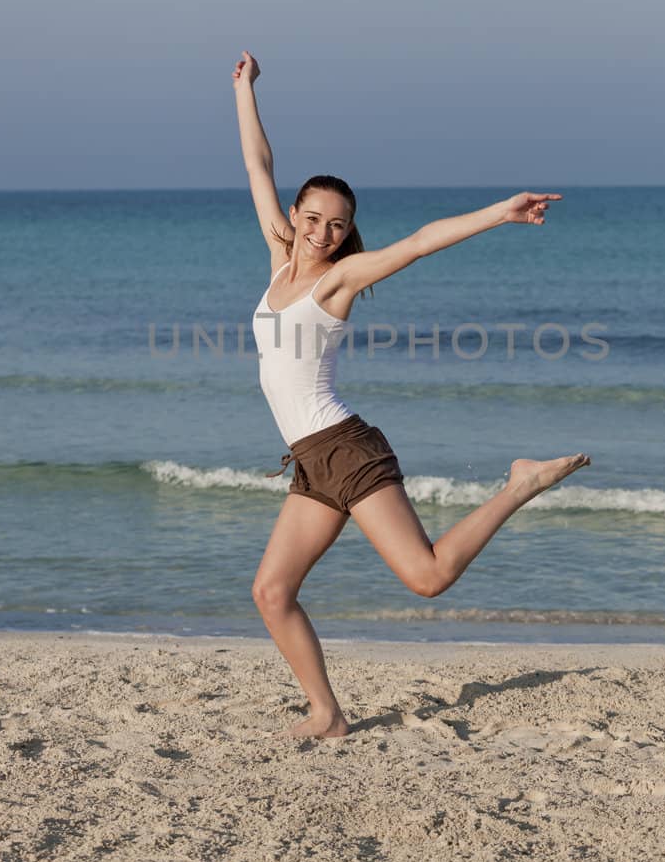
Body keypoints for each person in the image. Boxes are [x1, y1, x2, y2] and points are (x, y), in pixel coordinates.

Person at [233, 50, 591, 739]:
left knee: (427, 577)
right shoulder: (279, 259)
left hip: (346, 448)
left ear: (347, 232)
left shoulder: (337, 280)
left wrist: (502, 212)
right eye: (313, 218)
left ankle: (518, 485)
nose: (322, 232)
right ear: (297, 214)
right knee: (271, 592)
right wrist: (245, 90)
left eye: (337, 224)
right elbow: (257, 166)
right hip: (312, 459)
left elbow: (423, 241)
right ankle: (327, 713)